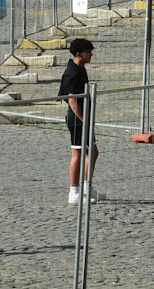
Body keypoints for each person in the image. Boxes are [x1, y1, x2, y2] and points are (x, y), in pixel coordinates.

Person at [58, 38, 98, 205]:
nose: (91, 55)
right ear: (79, 54)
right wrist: (84, 121)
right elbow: (72, 100)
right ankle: (74, 191)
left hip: (83, 117)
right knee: (78, 154)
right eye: (88, 52)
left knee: (92, 152)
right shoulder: (73, 72)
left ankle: (86, 187)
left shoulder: (80, 69)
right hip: (77, 118)